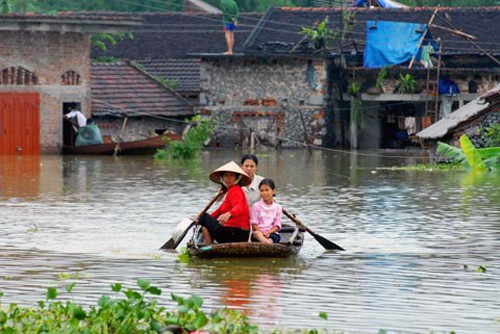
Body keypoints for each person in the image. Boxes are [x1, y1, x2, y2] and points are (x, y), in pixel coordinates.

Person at [198, 161, 252, 245]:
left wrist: (230, 213)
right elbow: (219, 211)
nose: (228, 178)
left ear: (237, 178)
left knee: (204, 217)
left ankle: (208, 245)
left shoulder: (235, 190)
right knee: (203, 218)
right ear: (222, 177)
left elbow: (239, 206)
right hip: (237, 234)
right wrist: (198, 219)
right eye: (226, 175)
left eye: (231, 175)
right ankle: (208, 244)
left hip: (235, 233)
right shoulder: (230, 191)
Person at [250, 178, 282, 244]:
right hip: (258, 234)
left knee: (275, 237)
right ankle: (267, 243)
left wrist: (269, 232)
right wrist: (262, 232)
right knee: (257, 234)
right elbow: (254, 225)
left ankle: (268, 242)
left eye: (267, 190)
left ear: (273, 191)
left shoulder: (278, 207)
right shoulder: (256, 206)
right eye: (261, 190)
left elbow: (277, 226)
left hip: (271, 233)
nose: (264, 193)